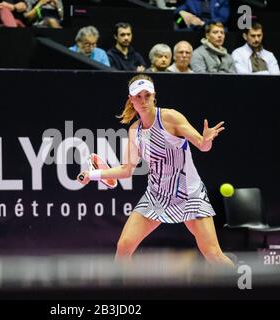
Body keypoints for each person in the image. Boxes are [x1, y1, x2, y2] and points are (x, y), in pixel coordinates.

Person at [77, 74, 234, 267]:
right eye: (138, 97)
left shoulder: (171, 117)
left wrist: (207, 140)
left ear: (154, 96)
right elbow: (126, 170)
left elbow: (202, 146)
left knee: (213, 255)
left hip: (189, 194)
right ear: (131, 99)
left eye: (147, 95)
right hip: (155, 196)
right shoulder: (135, 130)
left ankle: (245, 289)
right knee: (123, 247)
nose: (143, 101)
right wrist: (91, 175)